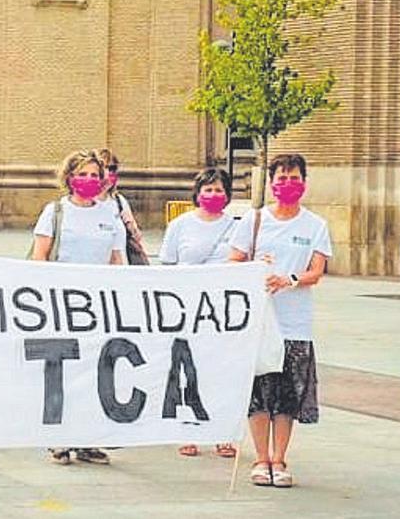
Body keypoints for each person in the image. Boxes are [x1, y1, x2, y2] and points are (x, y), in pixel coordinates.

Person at [230, 153, 332, 489]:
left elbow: (316, 272)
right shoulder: (255, 220)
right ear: (270, 182)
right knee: (260, 394)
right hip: (260, 321)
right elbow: (234, 261)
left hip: (295, 324)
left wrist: (289, 278)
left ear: (304, 182)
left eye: (294, 178)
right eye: (281, 178)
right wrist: (257, 270)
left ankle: (280, 458)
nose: (287, 184)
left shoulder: (315, 225)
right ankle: (260, 458)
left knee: (288, 396)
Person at [31, 150, 123, 466]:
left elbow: (116, 259)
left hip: (98, 306)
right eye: (82, 174)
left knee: (94, 369)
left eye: (95, 175)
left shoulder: (109, 214)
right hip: (61, 302)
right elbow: (39, 255)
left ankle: (87, 438)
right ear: (69, 177)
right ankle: (58, 437)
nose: (89, 180)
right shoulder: (55, 211)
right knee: (62, 370)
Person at [161, 167, 238, 459]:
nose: (213, 195)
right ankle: (188, 430)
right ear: (197, 193)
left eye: (219, 190)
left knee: (220, 371)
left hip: (223, 312)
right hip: (186, 309)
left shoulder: (236, 226)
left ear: (227, 194)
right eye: (208, 189)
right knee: (186, 370)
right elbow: (167, 266)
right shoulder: (180, 225)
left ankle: (222, 432)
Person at [95, 148, 148, 264]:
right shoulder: (86, 203)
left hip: (121, 270)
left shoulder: (119, 201)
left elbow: (137, 238)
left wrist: (132, 227)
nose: (109, 173)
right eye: (104, 168)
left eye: (112, 168)